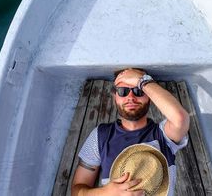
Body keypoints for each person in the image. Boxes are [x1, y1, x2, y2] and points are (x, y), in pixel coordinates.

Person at [71, 68, 190, 196]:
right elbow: (77, 190)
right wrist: (105, 193)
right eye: (123, 91)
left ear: (149, 97)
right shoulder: (100, 136)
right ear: (115, 97)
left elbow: (180, 118)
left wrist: (143, 81)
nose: (131, 97)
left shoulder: (163, 136)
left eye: (138, 91)